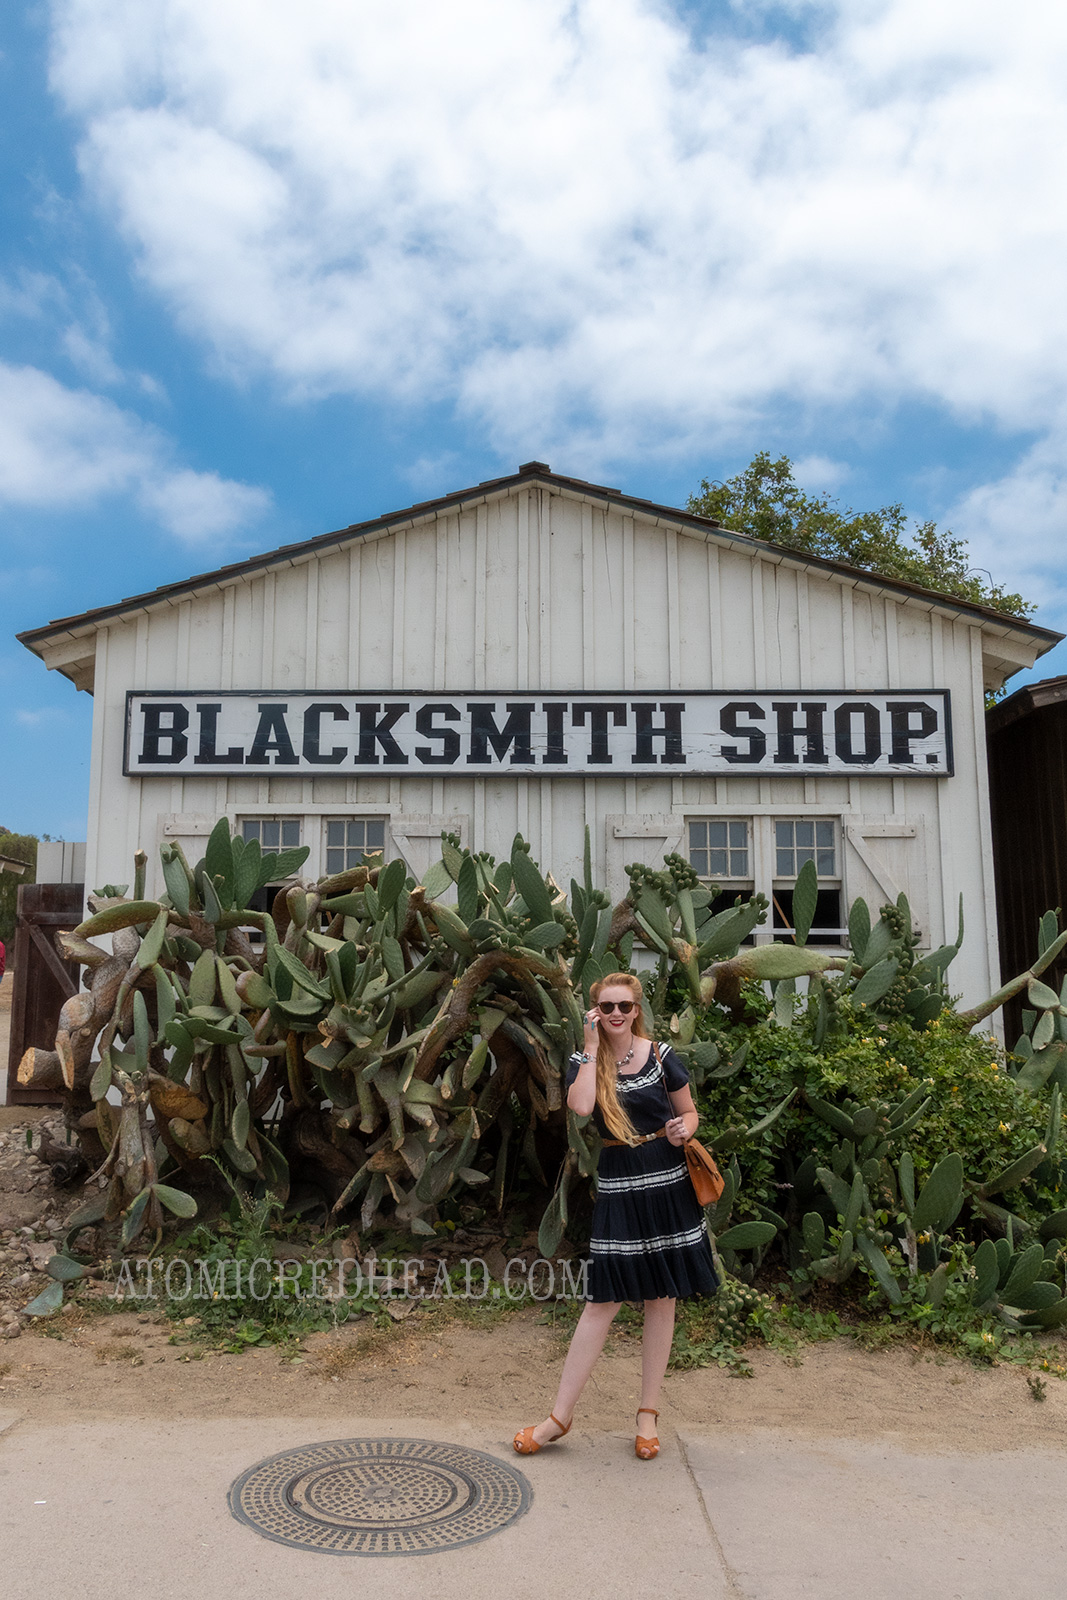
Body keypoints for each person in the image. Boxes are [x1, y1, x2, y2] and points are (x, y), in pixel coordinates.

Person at [513, 970, 719, 1461]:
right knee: (602, 1302)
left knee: (662, 1298)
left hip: (668, 1185)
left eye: (624, 1006)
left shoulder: (664, 1056)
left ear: (637, 1009)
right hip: (620, 1185)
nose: (616, 1015)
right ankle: (559, 1418)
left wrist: (682, 1130)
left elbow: (690, 1113)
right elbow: (581, 1109)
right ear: (594, 1013)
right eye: (606, 1008)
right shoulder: (586, 1062)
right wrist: (587, 1048)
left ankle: (648, 1416)